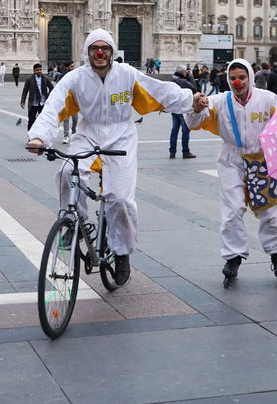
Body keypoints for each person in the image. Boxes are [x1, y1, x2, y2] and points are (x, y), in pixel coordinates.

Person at [26, 29, 204, 286]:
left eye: (105, 48)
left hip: (121, 136)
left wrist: (191, 100)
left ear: (112, 51)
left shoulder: (127, 74)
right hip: (88, 132)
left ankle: (121, 252)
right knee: (67, 172)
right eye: (94, 48)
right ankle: (72, 222)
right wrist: (39, 137)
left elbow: (160, 91)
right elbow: (53, 107)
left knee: (120, 199)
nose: (100, 53)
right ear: (87, 52)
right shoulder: (75, 78)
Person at [185, 58, 277, 283]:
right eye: (233, 78)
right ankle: (233, 256)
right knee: (232, 209)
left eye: (242, 77)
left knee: (270, 211)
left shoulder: (268, 99)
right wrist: (195, 107)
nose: (237, 82)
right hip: (231, 158)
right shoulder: (219, 101)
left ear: (250, 78)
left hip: (262, 158)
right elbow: (194, 122)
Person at [169, 65, 197, 159]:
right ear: (183, 72)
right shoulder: (182, 81)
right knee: (185, 130)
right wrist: (191, 76)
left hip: (174, 108)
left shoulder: (172, 79)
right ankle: (186, 151)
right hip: (183, 108)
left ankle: (172, 151)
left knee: (174, 130)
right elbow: (194, 88)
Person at [20, 63, 53, 130]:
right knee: (31, 121)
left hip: (43, 103)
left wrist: (49, 96)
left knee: (43, 121)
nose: (39, 71)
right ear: (34, 71)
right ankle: (30, 137)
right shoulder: (29, 79)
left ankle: (42, 136)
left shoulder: (45, 78)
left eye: (40, 69)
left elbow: (52, 87)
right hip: (33, 104)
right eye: (37, 70)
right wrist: (22, 101)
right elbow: (25, 90)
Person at [58, 60, 79, 144]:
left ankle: (74, 134)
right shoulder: (62, 76)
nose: (73, 68)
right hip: (66, 100)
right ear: (67, 67)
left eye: (74, 66)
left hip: (74, 100)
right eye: (71, 67)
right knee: (66, 119)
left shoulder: (76, 75)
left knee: (75, 119)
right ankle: (66, 136)